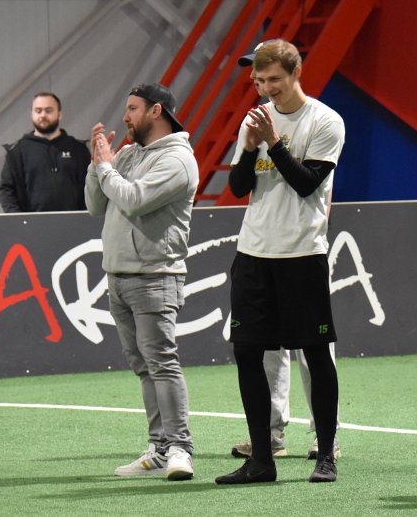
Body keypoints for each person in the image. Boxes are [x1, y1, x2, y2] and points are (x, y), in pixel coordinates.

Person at [215, 39, 345, 485]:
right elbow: (238, 188)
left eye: (274, 79)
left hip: (302, 254)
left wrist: (273, 142)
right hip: (254, 254)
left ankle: (325, 453)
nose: (266, 88)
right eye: (259, 80)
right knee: (247, 352)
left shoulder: (325, 121)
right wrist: (250, 147)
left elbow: (307, 184)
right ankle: (261, 459)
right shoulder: (254, 121)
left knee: (315, 352)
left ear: (295, 74)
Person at [85, 83, 198, 482]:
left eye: (132, 108)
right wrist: (96, 164)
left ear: (156, 111)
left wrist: (106, 168)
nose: (125, 116)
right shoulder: (130, 154)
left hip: (155, 276)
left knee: (162, 364)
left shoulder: (178, 160)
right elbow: (95, 204)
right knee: (145, 368)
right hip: (118, 276)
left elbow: (133, 199)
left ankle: (181, 448)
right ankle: (159, 447)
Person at [0, 92, 90, 212]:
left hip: (73, 221)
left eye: (48, 110)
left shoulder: (78, 149)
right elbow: (6, 190)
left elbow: (90, 186)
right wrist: (18, 219)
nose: (43, 115)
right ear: (31, 114)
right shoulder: (17, 152)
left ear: (60, 114)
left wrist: (83, 217)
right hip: (30, 223)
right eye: (38, 111)